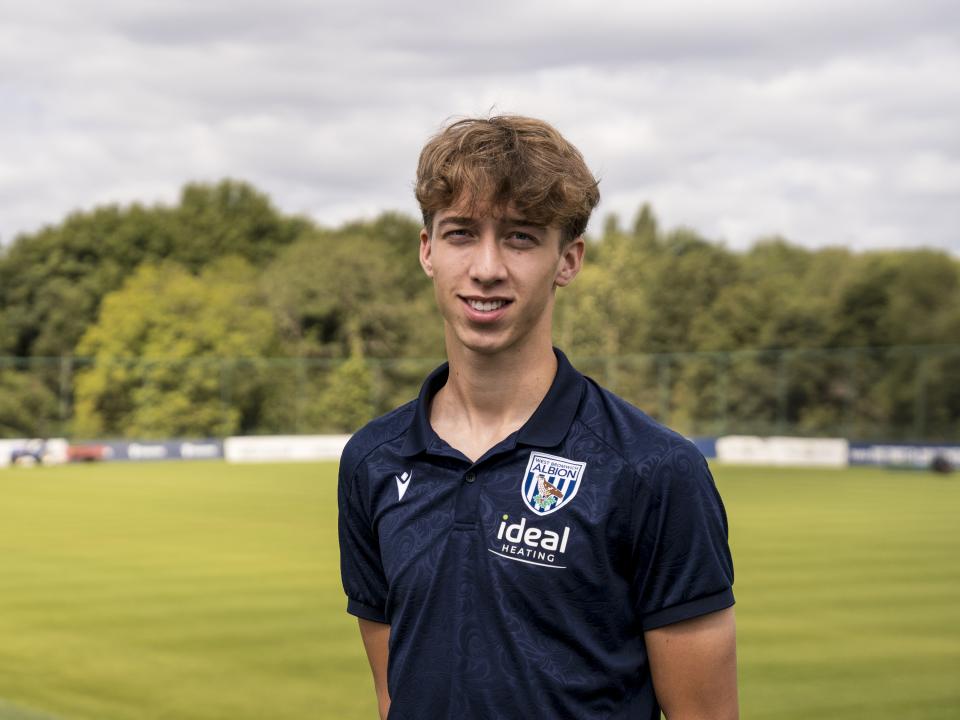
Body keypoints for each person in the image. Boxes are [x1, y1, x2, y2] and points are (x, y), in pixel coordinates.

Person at [338, 115, 737, 719]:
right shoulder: (373, 459)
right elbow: (396, 695)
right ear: (427, 250)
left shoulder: (654, 469)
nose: (487, 267)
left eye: (521, 237)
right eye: (461, 234)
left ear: (568, 260)